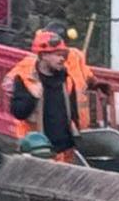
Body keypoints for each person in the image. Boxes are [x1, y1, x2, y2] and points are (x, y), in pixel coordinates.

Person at [7, 29, 108, 163]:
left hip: (65, 150)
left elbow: (73, 112)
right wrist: (32, 96)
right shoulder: (26, 79)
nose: (62, 59)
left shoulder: (66, 78)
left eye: (64, 55)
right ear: (43, 55)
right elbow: (18, 113)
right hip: (38, 150)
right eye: (58, 55)